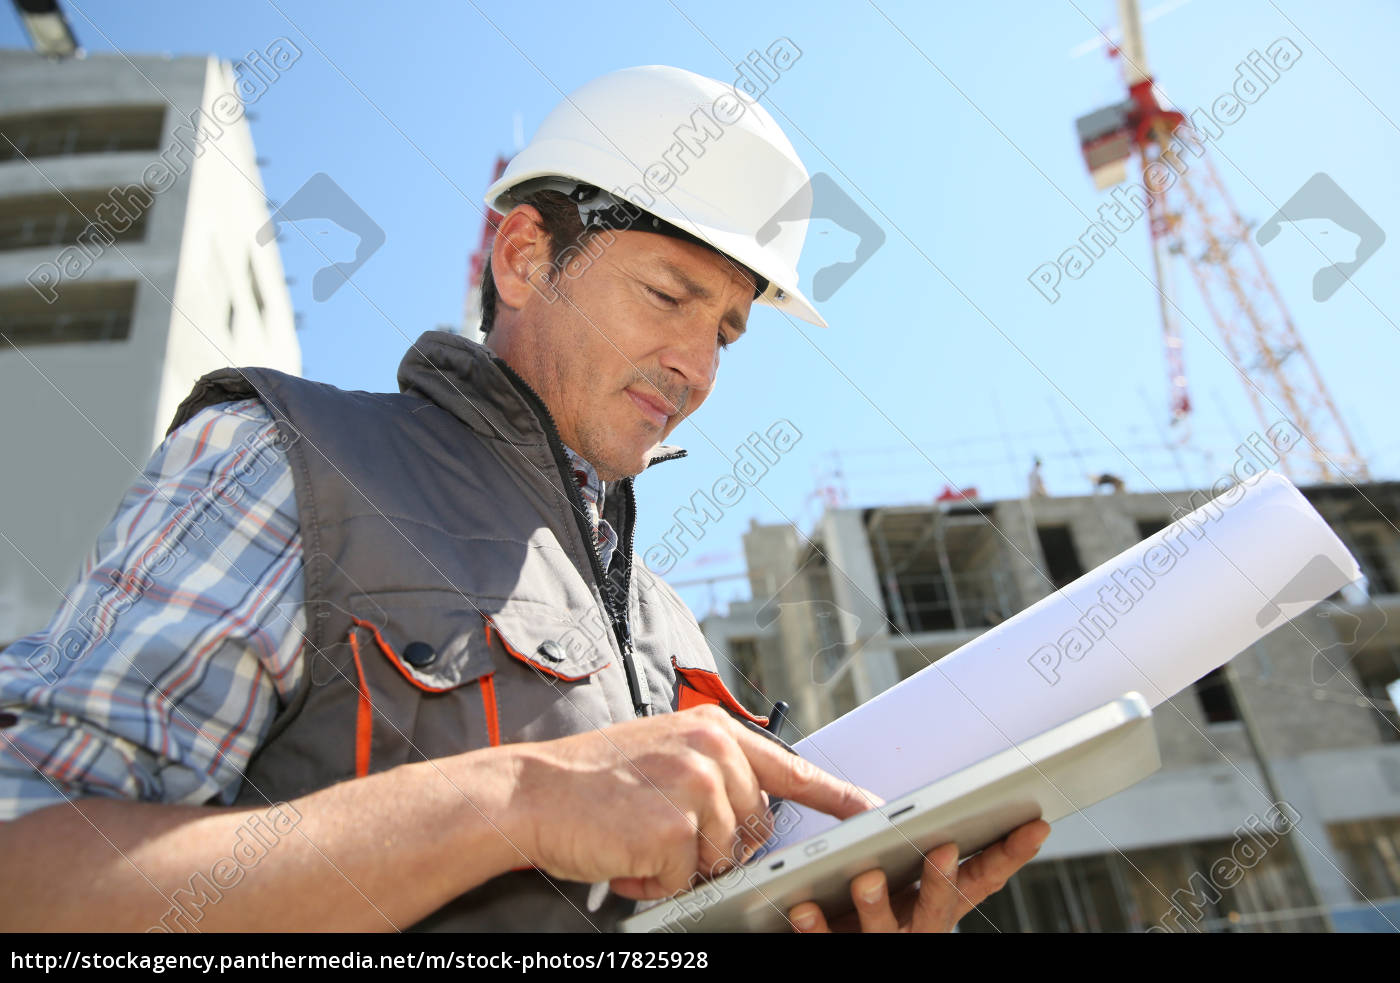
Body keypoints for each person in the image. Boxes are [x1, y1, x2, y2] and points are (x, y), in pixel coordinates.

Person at [0, 65, 1047, 933]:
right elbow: (26, 867)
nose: (695, 364)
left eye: (726, 329)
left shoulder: (668, 625)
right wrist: (516, 801)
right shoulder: (288, 461)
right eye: (668, 294)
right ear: (521, 255)